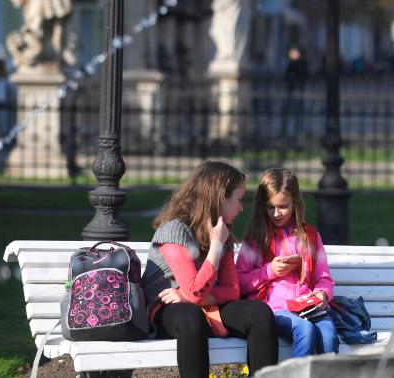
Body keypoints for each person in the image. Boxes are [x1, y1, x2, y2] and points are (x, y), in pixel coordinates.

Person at [141, 161, 278, 377]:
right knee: (191, 318)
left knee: (259, 313)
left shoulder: (222, 233)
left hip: (200, 303)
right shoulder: (174, 231)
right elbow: (196, 292)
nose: (242, 208)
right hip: (164, 309)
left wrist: (184, 295)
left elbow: (231, 290)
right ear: (220, 198)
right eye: (239, 200)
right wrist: (214, 248)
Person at [237, 168, 339, 357]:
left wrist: (323, 294)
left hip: (309, 306)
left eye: (283, 206)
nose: (276, 213)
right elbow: (240, 283)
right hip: (275, 309)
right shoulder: (256, 238)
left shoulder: (309, 235)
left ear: (295, 203)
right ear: (262, 206)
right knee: (305, 331)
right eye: (269, 207)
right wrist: (270, 271)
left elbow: (324, 277)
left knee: (328, 337)